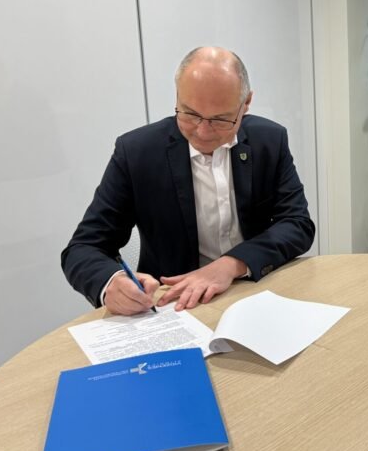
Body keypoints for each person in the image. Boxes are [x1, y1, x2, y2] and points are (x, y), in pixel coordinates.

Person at [62, 46, 315, 315]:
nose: (203, 132)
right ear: (177, 97)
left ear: (246, 104)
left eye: (220, 119)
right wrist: (111, 282)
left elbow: (297, 224)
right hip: (175, 306)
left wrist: (232, 264)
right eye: (190, 114)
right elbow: (83, 248)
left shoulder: (269, 140)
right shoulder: (137, 152)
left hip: (257, 292)